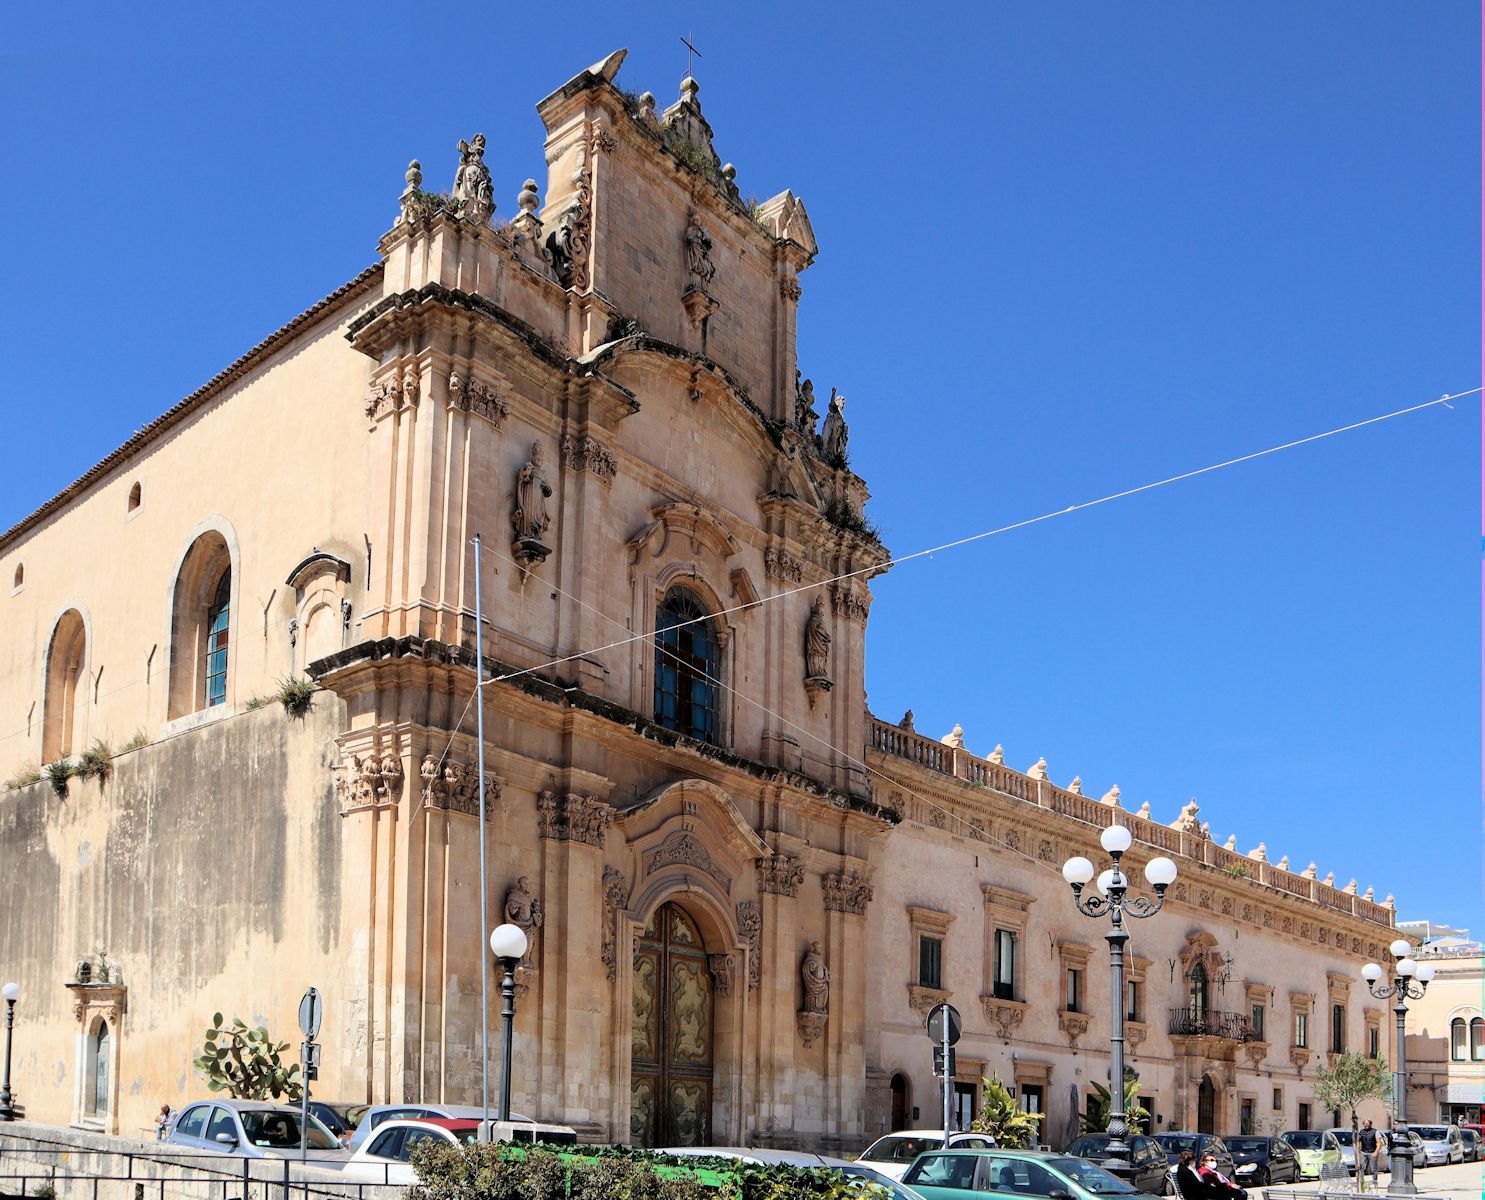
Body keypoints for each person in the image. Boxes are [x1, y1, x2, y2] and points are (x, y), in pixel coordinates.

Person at [1359, 1120, 1383, 1184]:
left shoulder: (1375, 1132)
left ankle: (1374, 1183)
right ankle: (1361, 1182)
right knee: (1362, 1168)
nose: (1366, 1125)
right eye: (1365, 1123)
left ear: (1370, 1124)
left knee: (1373, 1169)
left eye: (1367, 1123)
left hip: (1372, 1152)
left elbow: (1379, 1143)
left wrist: (1376, 1152)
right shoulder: (1361, 1132)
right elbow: (1359, 1141)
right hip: (1363, 1152)